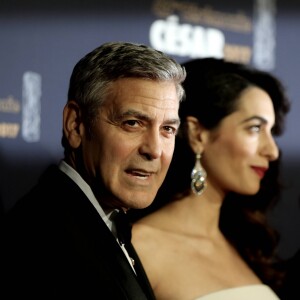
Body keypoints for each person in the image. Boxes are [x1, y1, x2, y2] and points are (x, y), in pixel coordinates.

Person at [1, 41, 186, 299]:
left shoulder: (103, 220)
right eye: (132, 123)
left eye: (167, 129)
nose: (155, 149)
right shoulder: (37, 240)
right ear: (76, 125)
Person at [130, 57, 291, 300]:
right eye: (255, 129)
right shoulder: (139, 247)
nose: (272, 151)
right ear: (197, 134)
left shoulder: (242, 246)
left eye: (271, 132)